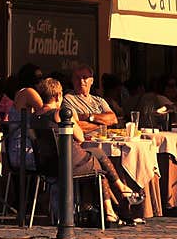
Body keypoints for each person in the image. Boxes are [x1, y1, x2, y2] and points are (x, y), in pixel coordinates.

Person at [35, 78, 144, 225]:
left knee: (97, 155)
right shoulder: (60, 113)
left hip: (48, 166)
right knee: (99, 164)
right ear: (58, 96)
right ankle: (117, 201)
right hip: (69, 163)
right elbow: (79, 137)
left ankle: (115, 204)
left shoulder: (34, 116)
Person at [62, 64, 117, 134]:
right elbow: (76, 127)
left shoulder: (99, 100)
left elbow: (113, 119)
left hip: (104, 139)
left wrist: (88, 117)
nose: (81, 81)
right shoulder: (68, 99)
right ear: (72, 80)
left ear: (92, 81)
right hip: (85, 142)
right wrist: (102, 124)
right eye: (77, 78)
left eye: (85, 78)